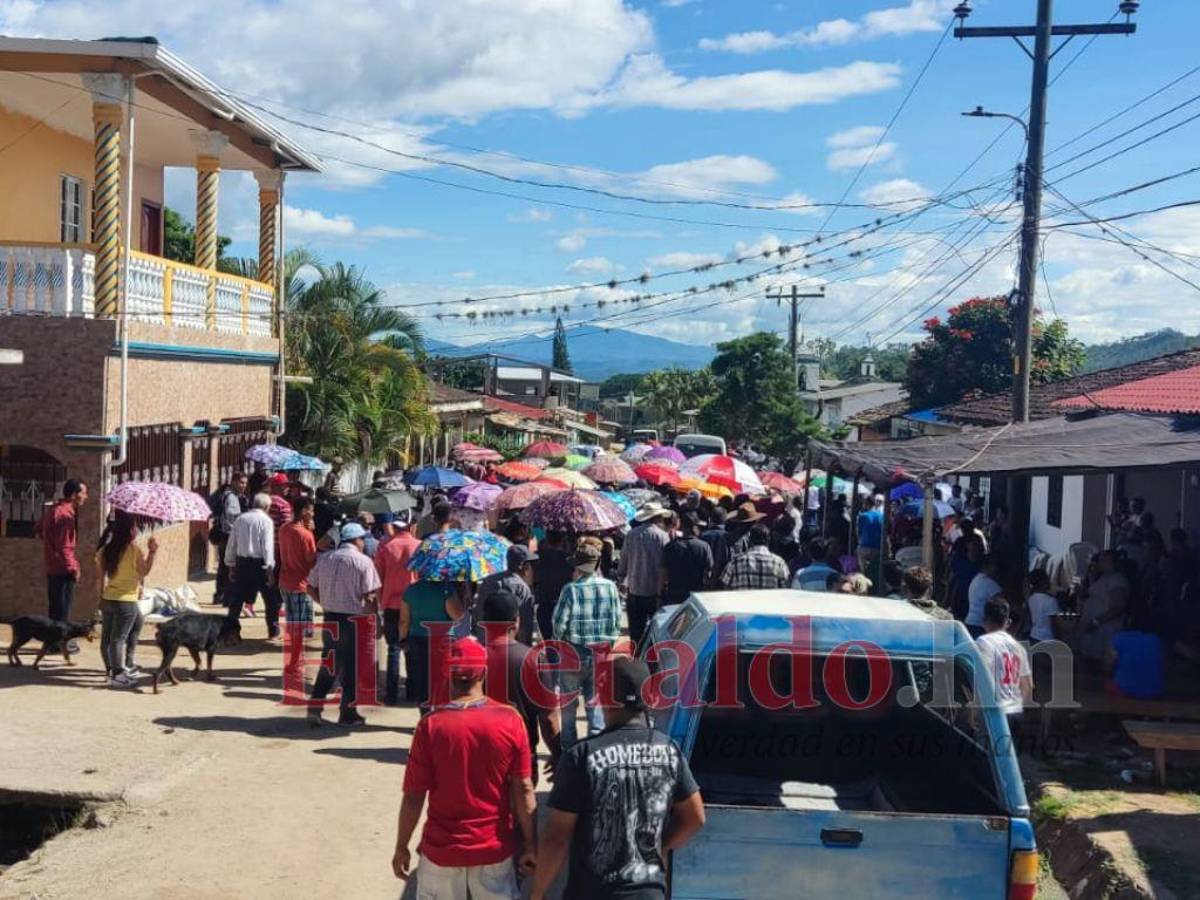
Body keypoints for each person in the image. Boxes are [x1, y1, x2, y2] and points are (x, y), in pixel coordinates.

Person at [530, 657, 706, 900]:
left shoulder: (581, 756)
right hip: (648, 892)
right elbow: (695, 817)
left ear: (603, 697)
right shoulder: (669, 750)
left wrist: (537, 893)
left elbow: (556, 838)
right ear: (649, 699)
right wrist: (661, 848)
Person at [392, 637, 536, 899]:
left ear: (448, 674)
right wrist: (530, 843)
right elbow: (524, 789)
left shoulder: (431, 726)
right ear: (483, 672)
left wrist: (401, 846)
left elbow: (414, 796)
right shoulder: (511, 720)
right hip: (494, 848)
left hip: (442, 850)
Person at [480, 588, 562, 787]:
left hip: (477, 757)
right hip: (521, 756)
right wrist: (558, 754)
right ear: (516, 622)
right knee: (522, 813)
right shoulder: (533, 659)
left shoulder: (470, 659)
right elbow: (549, 719)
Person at [306, 522, 382, 727]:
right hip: (352, 621)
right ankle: (347, 713)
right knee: (351, 668)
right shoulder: (363, 562)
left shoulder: (326, 559)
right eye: (362, 539)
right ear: (357, 540)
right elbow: (369, 596)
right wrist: (375, 620)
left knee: (329, 663)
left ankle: (315, 708)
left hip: (330, 618)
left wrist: (323, 602)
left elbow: (309, 586)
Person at [553, 543, 621, 748]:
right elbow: (616, 621)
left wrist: (561, 640)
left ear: (578, 568)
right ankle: (596, 745)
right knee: (595, 701)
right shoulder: (610, 587)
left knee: (568, 703)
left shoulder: (570, 590)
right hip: (600, 651)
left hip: (573, 651)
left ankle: (569, 747)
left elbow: (558, 624)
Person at [95, 511, 156, 688]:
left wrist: (100, 597)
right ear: (129, 530)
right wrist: (152, 552)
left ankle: (118, 668)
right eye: (134, 526)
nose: (136, 529)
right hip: (126, 601)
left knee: (112, 636)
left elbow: (99, 578)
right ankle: (117, 673)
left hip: (109, 597)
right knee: (118, 638)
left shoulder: (105, 550)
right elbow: (144, 571)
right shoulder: (133, 551)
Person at [35, 479, 87, 653]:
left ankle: (52, 642)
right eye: (83, 493)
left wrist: (50, 547)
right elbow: (65, 547)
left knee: (55, 608)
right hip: (62, 569)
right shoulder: (66, 515)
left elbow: (38, 528)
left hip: (52, 567)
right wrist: (73, 568)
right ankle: (58, 644)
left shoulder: (54, 510)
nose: (85, 497)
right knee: (63, 609)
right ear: (74, 495)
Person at [374, 515, 422, 706]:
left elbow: (378, 579)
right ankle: (412, 691)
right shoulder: (419, 546)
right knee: (412, 649)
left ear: (394, 526)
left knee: (393, 648)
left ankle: (391, 695)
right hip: (414, 604)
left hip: (391, 604)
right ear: (410, 526)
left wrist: (380, 603)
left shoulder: (385, 547)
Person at [975, 598, 1032, 739]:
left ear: (984, 620)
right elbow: (1028, 685)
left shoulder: (983, 642)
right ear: (1008, 622)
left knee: (987, 756)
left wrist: (973, 710)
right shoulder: (1019, 647)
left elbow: (981, 678)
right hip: (1015, 710)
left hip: (994, 710)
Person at [618, 504, 671, 645]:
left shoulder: (632, 534)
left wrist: (621, 577)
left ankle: (636, 657)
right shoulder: (663, 536)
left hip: (635, 589)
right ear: (657, 517)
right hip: (654, 591)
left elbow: (624, 559)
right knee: (654, 630)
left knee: (636, 630)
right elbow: (665, 565)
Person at [223, 493, 276, 630]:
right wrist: (270, 569)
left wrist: (231, 565)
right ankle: (273, 629)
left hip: (242, 563)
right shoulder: (266, 521)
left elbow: (232, 544)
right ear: (266, 506)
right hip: (260, 564)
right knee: (270, 600)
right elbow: (267, 547)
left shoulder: (241, 519)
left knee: (236, 600)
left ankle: (229, 630)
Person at [475, 545, 539, 645]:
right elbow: (525, 625)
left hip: (485, 641)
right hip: (509, 647)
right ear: (522, 565)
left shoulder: (489, 581)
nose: (530, 567)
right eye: (529, 563)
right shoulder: (522, 588)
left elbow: (478, 612)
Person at [278, 496, 318, 656]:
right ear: (303, 511)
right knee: (300, 625)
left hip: (286, 581)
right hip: (300, 584)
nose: (313, 513)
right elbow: (311, 560)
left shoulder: (284, 528)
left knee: (293, 620)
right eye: (311, 510)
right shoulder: (305, 535)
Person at [1078, 550, 1130, 663]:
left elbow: (1118, 607)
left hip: (1106, 631)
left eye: (1103, 560)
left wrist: (1096, 622)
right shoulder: (1103, 577)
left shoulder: (1117, 580)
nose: (1099, 563)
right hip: (1094, 632)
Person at [211, 472, 248, 606]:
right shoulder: (231, 497)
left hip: (225, 535)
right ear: (233, 482)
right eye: (241, 482)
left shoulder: (230, 495)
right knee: (230, 567)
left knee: (224, 566)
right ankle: (226, 597)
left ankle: (220, 595)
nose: (244, 485)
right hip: (229, 536)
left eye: (245, 483)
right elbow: (232, 516)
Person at [661, 512, 713, 606]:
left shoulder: (670, 547)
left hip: (674, 595)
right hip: (696, 596)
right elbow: (709, 572)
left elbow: (664, 574)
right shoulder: (704, 546)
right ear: (694, 527)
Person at [533, 530, 574, 645]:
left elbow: (534, 579)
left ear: (547, 539)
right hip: (564, 605)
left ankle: (553, 661)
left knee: (549, 643)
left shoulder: (538, 557)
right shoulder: (569, 559)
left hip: (544, 604)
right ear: (562, 541)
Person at [722, 524, 790, 591]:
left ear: (750, 540)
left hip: (742, 601)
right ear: (769, 540)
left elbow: (726, 587)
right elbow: (786, 589)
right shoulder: (779, 563)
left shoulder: (735, 562)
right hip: (770, 602)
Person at [966, 555, 1003, 638]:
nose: (997, 569)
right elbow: (1002, 603)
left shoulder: (975, 579)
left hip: (969, 622)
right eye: (995, 566)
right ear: (988, 566)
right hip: (982, 626)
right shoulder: (990, 584)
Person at [699, 508, 732, 588]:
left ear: (710, 519)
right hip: (723, 579)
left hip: (705, 579)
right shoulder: (729, 537)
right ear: (725, 520)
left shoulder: (704, 535)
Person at [855, 494, 885, 584]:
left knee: (863, 569)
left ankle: (864, 580)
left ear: (866, 504)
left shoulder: (862, 516)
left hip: (864, 547)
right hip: (877, 547)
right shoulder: (881, 516)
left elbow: (858, 532)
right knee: (875, 569)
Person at [1026, 569, 1061, 643]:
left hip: (1033, 635)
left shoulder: (1031, 598)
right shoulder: (1050, 600)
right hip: (1047, 639)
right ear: (1044, 581)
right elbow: (1054, 624)